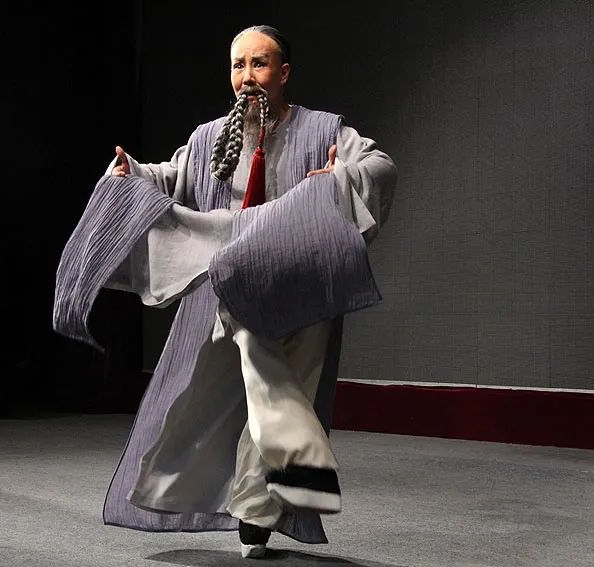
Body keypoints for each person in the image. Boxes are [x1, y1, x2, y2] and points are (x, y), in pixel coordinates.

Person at [55, 25, 396, 559]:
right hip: (236, 276)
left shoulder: (322, 128)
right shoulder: (211, 137)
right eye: (239, 65)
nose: (247, 76)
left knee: (291, 383)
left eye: (259, 64)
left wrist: (338, 178)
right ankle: (298, 459)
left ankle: (256, 515)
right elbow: (171, 178)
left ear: (283, 72)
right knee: (256, 373)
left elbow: (378, 166)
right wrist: (131, 172)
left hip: (301, 280)